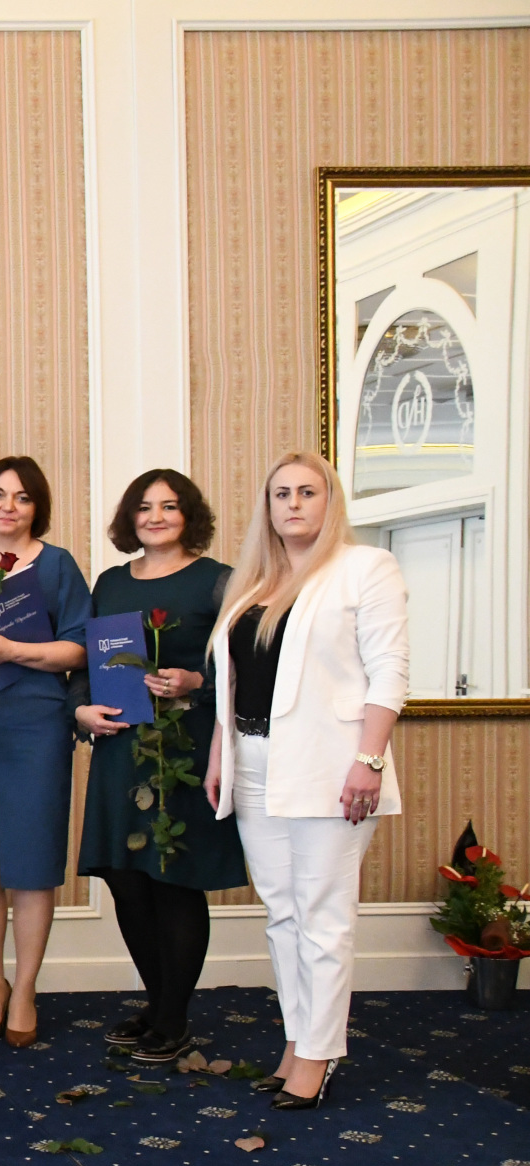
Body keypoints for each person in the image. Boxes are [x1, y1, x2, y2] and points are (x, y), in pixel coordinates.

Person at [205, 452, 408, 1111]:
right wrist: (220, 754)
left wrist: (370, 760)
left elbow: (389, 672)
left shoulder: (365, 568)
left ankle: (319, 1053)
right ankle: (297, 1040)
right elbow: (234, 682)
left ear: (330, 500)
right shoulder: (253, 584)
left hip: (331, 766)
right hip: (254, 761)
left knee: (322, 915)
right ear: (267, 508)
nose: (293, 503)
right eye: (281, 493)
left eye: (307, 492)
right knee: (283, 913)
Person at [72, 470, 245, 1064]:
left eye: (169, 506)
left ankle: (173, 1018)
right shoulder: (111, 583)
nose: (156, 517)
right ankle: (158, 1003)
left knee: (174, 879)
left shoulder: (218, 580)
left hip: (185, 750)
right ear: (131, 518)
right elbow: (86, 662)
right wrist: (81, 710)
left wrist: (197, 682)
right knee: (126, 878)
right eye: (144, 507)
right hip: (121, 747)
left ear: (188, 515)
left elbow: (246, 664)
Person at [0, 456, 89, 1047]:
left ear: (37, 507)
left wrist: (13, 652)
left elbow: (79, 648)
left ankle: (24, 989)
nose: (8, 506)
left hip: (37, 724)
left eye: (22, 497)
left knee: (30, 860)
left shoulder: (57, 565)